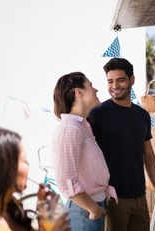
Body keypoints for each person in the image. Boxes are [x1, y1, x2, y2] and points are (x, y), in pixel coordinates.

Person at [88, 58, 155, 231]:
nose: (115, 85)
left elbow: (149, 156)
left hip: (140, 197)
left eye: (120, 80)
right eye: (110, 81)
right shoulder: (97, 114)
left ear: (132, 80)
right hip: (112, 199)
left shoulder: (142, 116)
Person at [52, 72, 118, 231]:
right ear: (78, 92)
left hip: (90, 209)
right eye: (90, 85)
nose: (95, 90)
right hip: (85, 212)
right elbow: (66, 181)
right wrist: (93, 209)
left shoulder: (81, 126)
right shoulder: (70, 128)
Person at [0, 127, 70, 231]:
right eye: (24, 160)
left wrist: (43, 212)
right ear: (6, 167)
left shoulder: (10, 205)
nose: (28, 165)